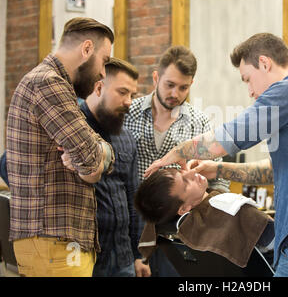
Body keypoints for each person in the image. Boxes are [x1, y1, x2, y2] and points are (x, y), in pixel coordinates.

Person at [144, 33, 288, 277]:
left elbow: (227, 139)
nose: (250, 91)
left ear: (264, 63)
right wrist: (218, 170)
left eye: (248, 79)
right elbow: (270, 172)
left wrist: (175, 153)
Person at [6, 17, 115, 277]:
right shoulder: (48, 83)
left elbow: (102, 153)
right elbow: (91, 161)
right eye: (104, 61)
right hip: (53, 242)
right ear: (86, 49)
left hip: (57, 242)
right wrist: (95, 158)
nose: (103, 73)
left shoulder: (54, 85)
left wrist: (97, 156)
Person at [123, 45, 230, 275]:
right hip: (129, 231)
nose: (175, 94)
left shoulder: (199, 123)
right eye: (169, 85)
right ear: (156, 78)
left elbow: (220, 182)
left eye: (183, 87)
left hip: (180, 239)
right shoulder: (127, 114)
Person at [78, 57, 150, 277]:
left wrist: (139, 255)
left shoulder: (125, 137)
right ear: (99, 87)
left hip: (123, 258)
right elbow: (9, 163)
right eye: (122, 92)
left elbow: (133, 197)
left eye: (132, 95)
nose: (129, 101)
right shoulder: (71, 129)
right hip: (83, 257)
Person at [134, 168, 274, 269]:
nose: (191, 172)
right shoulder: (231, 208)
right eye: (186, 183)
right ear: (183, 209)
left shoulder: (179, 231)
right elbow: (277, 241)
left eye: (181, 171)